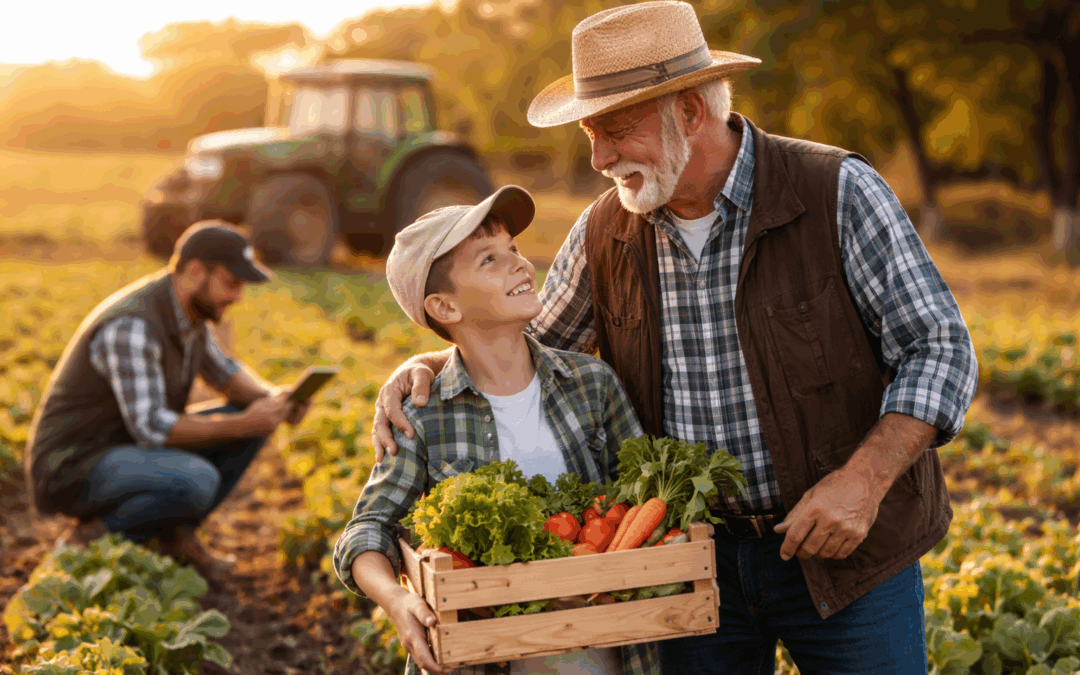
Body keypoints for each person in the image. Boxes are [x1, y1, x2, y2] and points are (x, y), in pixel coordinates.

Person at [371, 3, 979, 674]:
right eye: (589, 134)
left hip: (847, 559)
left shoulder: (834, 190)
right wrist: (428, 360)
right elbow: (524, 347)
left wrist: (864, 481)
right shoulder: (607, 229)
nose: (599, 158)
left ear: (690, 111)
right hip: (687, 559)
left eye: (615, 131)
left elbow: (940, 347)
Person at [332, 186, 661, 675]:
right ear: (445, 308)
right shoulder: (422, 414)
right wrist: (398, 603)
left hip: (601, 650)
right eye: (489, 260)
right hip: (481, 656)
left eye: (514, 250)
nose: (520, 265)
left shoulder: (591, 384)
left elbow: (646, 496)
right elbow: (366, 531)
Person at [25, 220, 309, 574]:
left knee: (252, 419)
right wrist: (244, 422)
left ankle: (177, 535)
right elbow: (152, 428)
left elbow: (227, 374)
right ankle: (90, 538)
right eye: (232, 283)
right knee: (196, 479)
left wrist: (275, 400)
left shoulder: (188, 315)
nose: (237, 297)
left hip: (123, 451)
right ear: (193, 271)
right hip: (72, 465)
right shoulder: (133, 327)